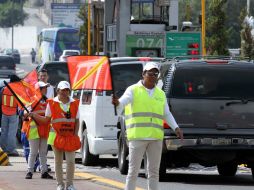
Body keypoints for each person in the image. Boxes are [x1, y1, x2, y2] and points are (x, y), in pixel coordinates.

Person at [112, 62, 184, 190]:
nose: (152, 76)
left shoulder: (160, 94)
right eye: (150, 73)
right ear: (143, 74)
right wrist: (117, 102)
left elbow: (166, 113)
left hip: (155, 138)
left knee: (154, 173)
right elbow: (122, 102)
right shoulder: (133, 90)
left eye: (155, 74)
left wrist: (176, 128)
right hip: (138, 137)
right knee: (133, 172)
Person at [27, 81, 80, 190]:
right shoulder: (52, 103)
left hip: (70, 137)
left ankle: (69, 185)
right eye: (62, 90)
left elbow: (77, 121)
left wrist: (75, 135)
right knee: (58, 161)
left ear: (69, 91)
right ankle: (60, 184)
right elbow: (46, 120)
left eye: (67, 90)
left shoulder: (74, 103)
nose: (64, 92)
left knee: (70, 161)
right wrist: (34, 115)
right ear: (58, 91)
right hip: (56, 137)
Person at [23, 81, 53, 180]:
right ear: (38, 89)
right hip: (34, 130)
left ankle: (44, 171)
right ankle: (29, 171)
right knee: (33, 152)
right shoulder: (31, 101)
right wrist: (28, 113)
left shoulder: (48, 101)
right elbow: (24, 114)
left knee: (43, 152)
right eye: (44, 87)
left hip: (44, 129)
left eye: (46, 87)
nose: (46, 89)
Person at [0, 75, 21, 156]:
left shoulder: (3, 89)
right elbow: (20, 103)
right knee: (12, 133)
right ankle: (11, 150)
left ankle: (2, 149)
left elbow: (0, 100)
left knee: (4, 132)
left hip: (4, 113)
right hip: (13, 114)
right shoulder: (16, 91)